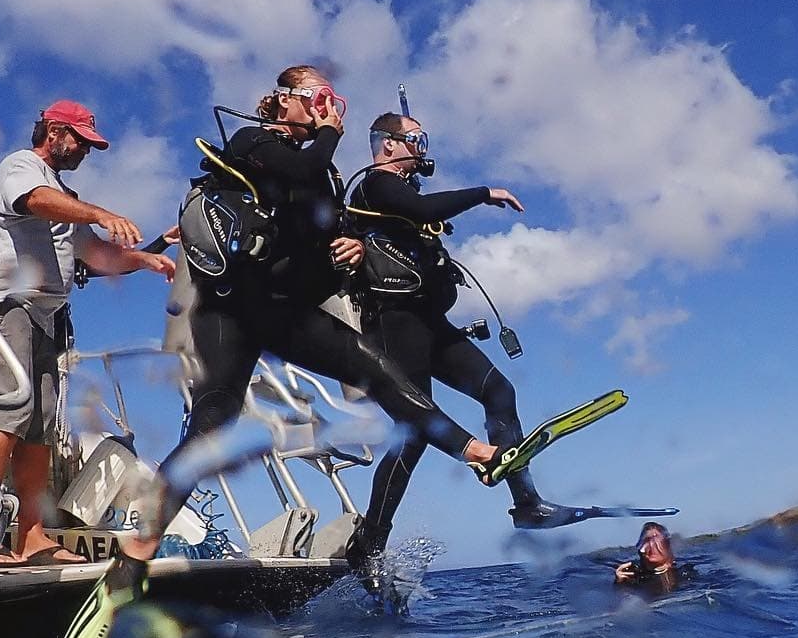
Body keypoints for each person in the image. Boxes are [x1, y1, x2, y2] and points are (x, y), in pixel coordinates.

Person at [83, 65, 503, 586]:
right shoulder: (252, 141)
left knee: (376, 368)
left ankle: (474, 451)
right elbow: (297, 174)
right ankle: (135, 554)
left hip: (284, 308)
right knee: (214, 424)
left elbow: (329, 216)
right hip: (231, 311)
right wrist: (330, 133)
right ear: (285, 101)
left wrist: (353, 242)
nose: (330, 108)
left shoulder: (322, 170)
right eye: (320, 97)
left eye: (334, 100)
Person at [343, 108, 591, 572]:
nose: (424, 150)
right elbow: (422, 210)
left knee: (499, 391)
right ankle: (370, 543)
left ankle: (527, 505)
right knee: (413, 432)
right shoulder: (376, 185)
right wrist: (483, 193)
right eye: (417, 141)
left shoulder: (399, 189)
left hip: (428, 321)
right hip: (395, 321)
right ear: (389, 144)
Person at [0, 99, 174, 565]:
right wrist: (97, 212)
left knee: (38, 428)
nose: (85, 151)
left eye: (90, 145)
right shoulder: (20, 167)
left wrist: (149, 257)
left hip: (44, 318)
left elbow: (98, 256)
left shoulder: (63, 199)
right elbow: (33, 201)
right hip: (6, 308)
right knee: (4, 419)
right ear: (54, 131)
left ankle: (31, 538)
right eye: (80, 140)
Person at [614, 521, 696, 595]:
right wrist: (620, 583)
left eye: (656, 541)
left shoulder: (685, 573)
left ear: (667, 546)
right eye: (646, 541)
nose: (651, 546)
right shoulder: (635, 578)